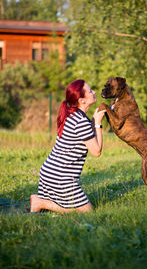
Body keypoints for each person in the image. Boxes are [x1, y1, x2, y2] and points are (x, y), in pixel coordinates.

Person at [30, 79, 106, 213]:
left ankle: (42, 201)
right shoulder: (81, 121)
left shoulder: (72, 115)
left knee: (77, 208)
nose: (94, 92)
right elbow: (96, 151)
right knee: (87, 213)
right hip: (61, 177)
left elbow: (87, 136)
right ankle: (40, 202)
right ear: (82, 100)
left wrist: (93, 121)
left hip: (49, 171)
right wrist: (98, 124)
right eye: (90, 91)